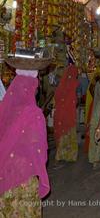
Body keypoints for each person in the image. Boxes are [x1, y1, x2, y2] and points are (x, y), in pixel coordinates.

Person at [0, 69, 50, 217]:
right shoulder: (34, 114)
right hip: (25, 176)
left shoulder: (6, 110)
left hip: (5, 171)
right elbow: (38, 147)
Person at [54, 64, 80, 163]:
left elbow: (56, 98)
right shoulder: (74, 84)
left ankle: (60, 155)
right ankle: (70, 156)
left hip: (60, 113)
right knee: (69, 131)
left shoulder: (61, 85)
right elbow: (77, 100)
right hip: (69, 113)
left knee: (62, 131)